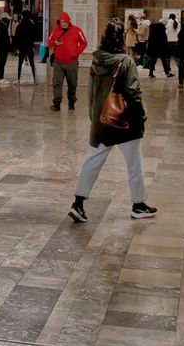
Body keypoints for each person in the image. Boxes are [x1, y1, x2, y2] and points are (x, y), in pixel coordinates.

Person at [67, 22, 157, 223]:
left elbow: (90, 91)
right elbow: (133, 93)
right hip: (124, 121)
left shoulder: (96, 60)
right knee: (134, 164)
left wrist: (94, 117)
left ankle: (78, 203)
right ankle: (138, 205)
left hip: (101, 120)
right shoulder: (126, 61)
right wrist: (141, 116)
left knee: (92, 162)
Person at [47, 12, 88, 111]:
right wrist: (54, 43)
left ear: (68, 22)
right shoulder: (55, 30)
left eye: (65, 22)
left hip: (72, 62)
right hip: (58, 62)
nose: (63, 24)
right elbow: (49, 41)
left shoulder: (77, 30)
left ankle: (71, 102)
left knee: (72, 83)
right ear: (59, 22)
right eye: (61, 22)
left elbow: (84, 42)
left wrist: (76, 52)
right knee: (57, 83)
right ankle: (57, 103)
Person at [13, 12, 39, 84]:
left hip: (22, 47)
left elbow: (16, 37)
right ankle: (34, 80)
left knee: (20, 63)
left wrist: (17, 47)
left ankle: (18, 79)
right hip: (29, 46)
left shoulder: (20, 26)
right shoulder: (32, 25)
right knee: (32, 63)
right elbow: (36, 36)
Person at [0, 12, 12, 82]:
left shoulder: (0, 25)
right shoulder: (2, 26)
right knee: (1, 61)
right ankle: (1, 78)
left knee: (2, 61)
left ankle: (1, 77)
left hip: (3, 45)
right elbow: (1, 36)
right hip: (3, 45)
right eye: (7, 19)